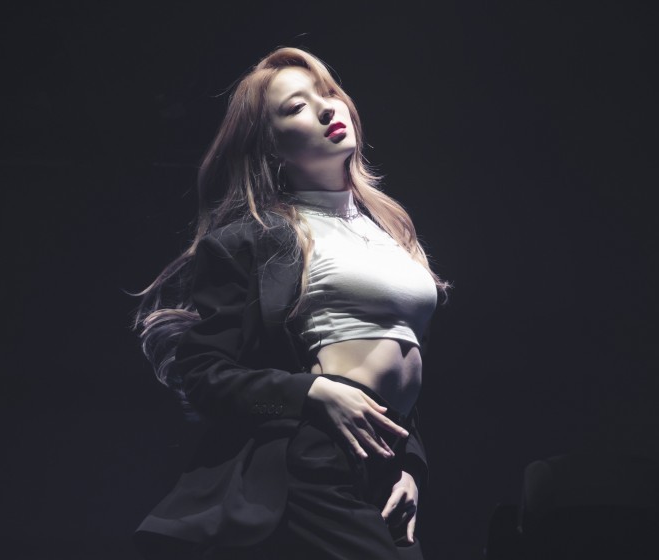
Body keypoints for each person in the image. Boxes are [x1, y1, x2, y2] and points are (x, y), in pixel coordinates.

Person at [131, 47, 448, 560]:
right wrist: (307, 394)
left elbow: (407, 368)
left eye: (328, 93)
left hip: (382, 465)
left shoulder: (392, 230)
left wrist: (411, 464)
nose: (326, 108)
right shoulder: (254, 239)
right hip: (313, 455)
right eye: (297, 107)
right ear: (271, 146)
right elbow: (204, 377)